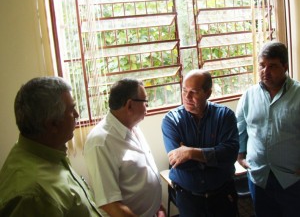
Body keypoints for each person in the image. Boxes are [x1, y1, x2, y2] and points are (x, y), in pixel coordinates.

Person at [0, 77, 101, 216]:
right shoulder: (33, 196)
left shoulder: (46, 150)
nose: (77, 115)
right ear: (52, 124)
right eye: (71, 110)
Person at [161, 69, 239, 217]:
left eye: (194, 92)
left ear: (208, 93)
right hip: (189, 199)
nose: (187, 97)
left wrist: (190, 153)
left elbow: (230, 154)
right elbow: (180, 162)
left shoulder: (224, 116)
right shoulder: (171, 121)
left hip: (222, 196)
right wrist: (214, 156)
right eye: (184, 91)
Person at [83, 78, 165, 217]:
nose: (147, 107)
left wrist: (158, 206)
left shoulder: (132, 126)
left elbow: (144, 173)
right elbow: (110, 204)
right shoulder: (100, 143)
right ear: (129, 105)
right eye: (145, 102)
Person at [236, 41, 300, 217]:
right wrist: (240, 155)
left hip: (291, 179)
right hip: (259, 177)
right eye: (262, 66)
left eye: (272, 66)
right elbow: (240, 127)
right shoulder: (249, 95)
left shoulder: (298, 94)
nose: (265, 71)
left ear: (285, 66)